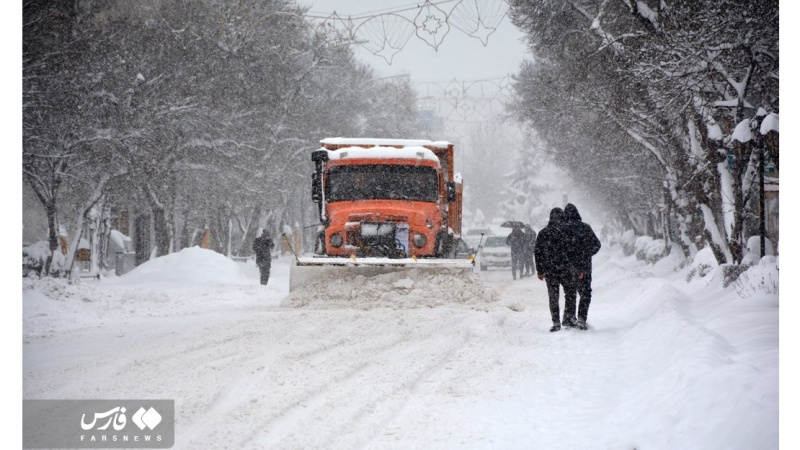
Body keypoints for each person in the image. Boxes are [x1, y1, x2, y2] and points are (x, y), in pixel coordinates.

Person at [561, 203, 602, 330]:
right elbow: (597, 244)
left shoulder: (561, 229)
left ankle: (569, 317)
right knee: (585, 293)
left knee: (570, 293)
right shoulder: (585, 228)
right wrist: (587, 254)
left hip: (567, 267)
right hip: (584, 266)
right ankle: (582, 319)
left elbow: (557, 249)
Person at [534, 208, 575, 332]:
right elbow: (572, 252)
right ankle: (567, 318)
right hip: (565, 270)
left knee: (553, 297)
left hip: (550, 270)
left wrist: (540, 270)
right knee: (570, 294)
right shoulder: (567, 232)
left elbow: (538, 253)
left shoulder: (543, 233)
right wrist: (573, 267)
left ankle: (556, 322)